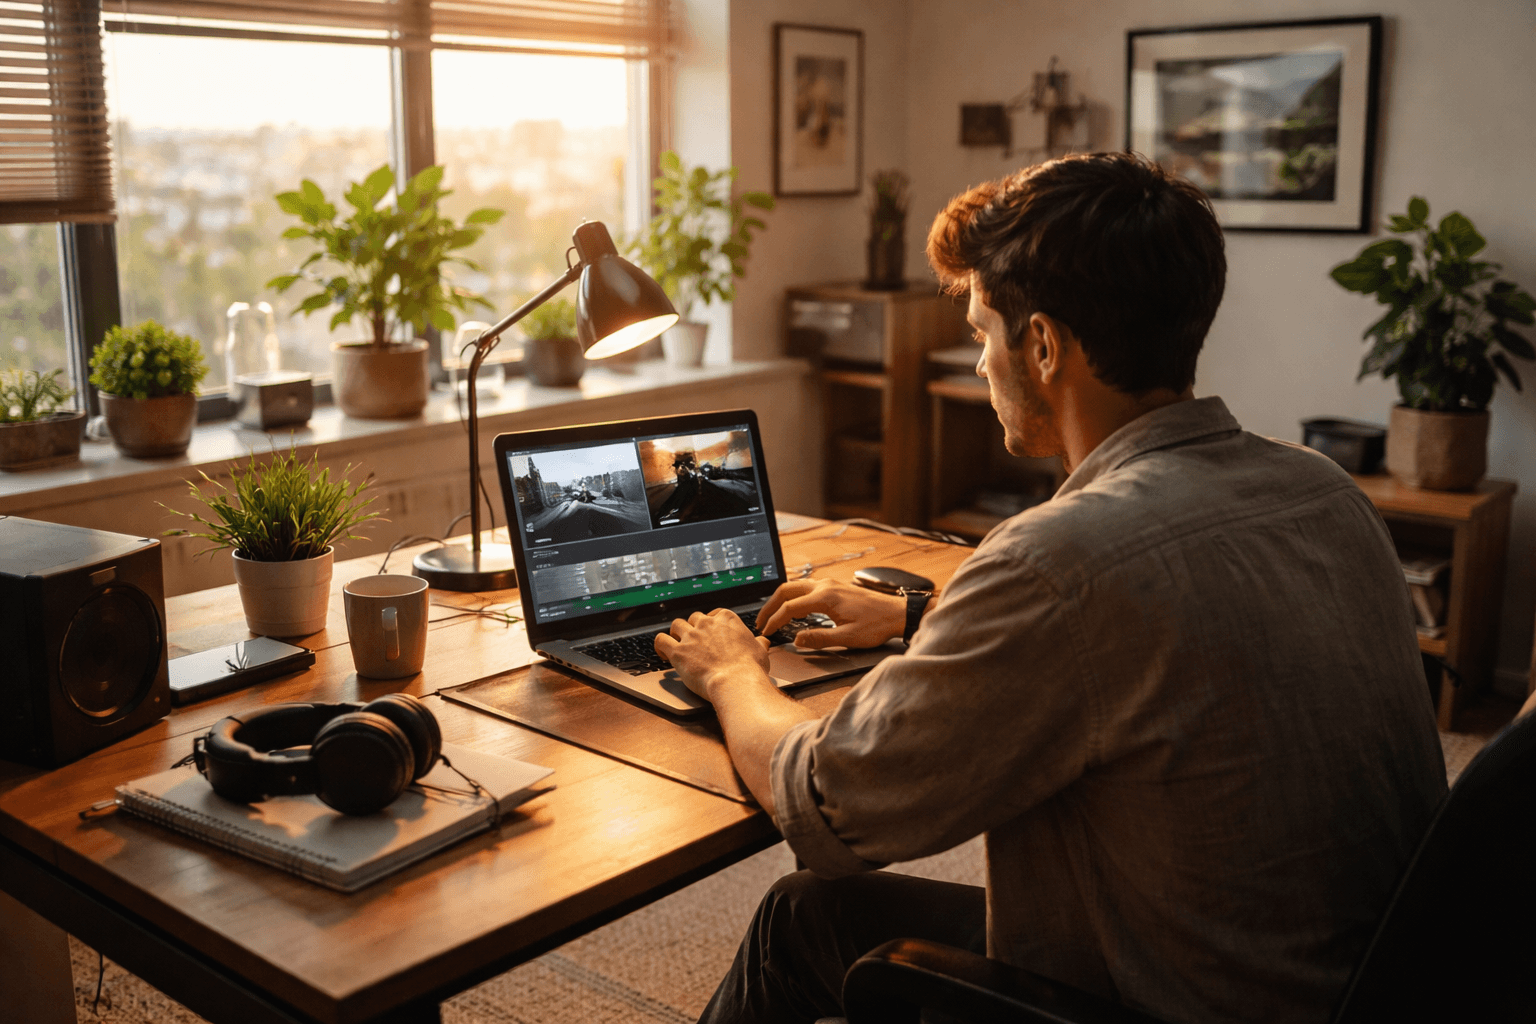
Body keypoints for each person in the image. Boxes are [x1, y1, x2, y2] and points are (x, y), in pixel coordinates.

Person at [654, 152, 1446, 1024]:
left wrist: (733, 670)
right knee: (800, 917)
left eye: (983, 334)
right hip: (1351, 982)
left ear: (1041, 345)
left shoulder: (1059, 561)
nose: (982, 362)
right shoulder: (1324, 489)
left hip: (1163, 997)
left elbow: (831, 807)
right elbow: (1169, 647)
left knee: (807, 898)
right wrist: (920, 615)